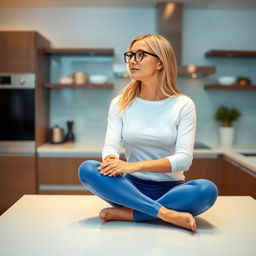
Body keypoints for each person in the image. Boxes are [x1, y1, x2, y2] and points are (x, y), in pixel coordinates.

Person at [78, 34, 218, 232]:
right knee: (88, 169)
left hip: (171, 190)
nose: (132, 61)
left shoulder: (183, 105)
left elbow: (184, 160)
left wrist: (133, 166)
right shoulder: (120, 103)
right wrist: (111, 159)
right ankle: (165, 214)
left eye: (141, 55)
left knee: (207, 190)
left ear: (160, 62)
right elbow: (111, 145)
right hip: (128, 189)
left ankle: (132, 214)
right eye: (131, 55)